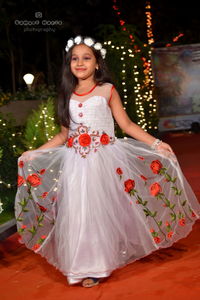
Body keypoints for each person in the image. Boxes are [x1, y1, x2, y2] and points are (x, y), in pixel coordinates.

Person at [15, 36, 200, 288]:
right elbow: (63, 135)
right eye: (74, 59)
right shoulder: (66, 94)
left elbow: (126, 125)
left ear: (97, 64)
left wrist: (155, 144)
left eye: (86, 58)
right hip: (75, 164)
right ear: (69, 64)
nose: (80, 63)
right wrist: (34, 153)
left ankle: (97, 266)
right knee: (77, 213)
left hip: (102, 160)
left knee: (97, 213)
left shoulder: (106, 90)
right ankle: (77, 266)